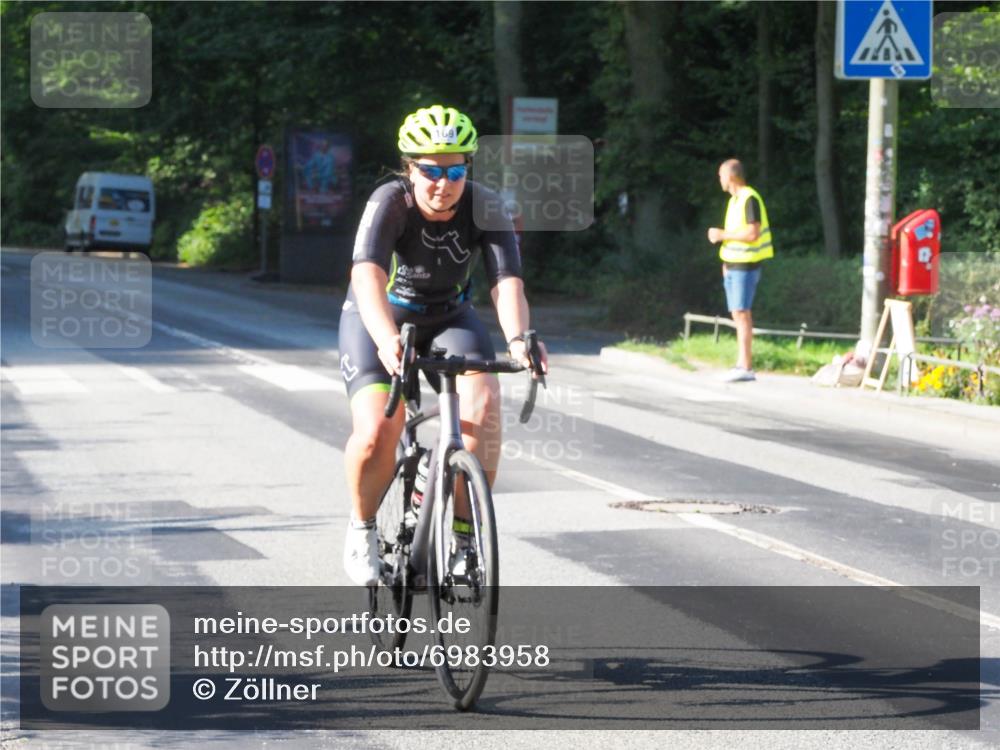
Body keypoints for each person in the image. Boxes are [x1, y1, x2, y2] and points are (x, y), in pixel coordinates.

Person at [339, 104, 548, 586]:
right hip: (381, 319)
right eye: (430, 170)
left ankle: (463, 541)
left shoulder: (486, 206)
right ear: (409, 168)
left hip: (450, 316)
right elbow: (366, 274)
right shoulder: (390, 201)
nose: (443, 182)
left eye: (455, 170)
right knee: (378, 431)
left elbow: (507, 282)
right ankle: (362, 526)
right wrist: (388, 339)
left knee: (485, 402)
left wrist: (518, 339)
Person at [707, 159, 773, 383]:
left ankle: (745, 366)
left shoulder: (748, 198)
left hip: (746, 265)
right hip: (734, 265)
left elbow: (752, 233)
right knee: (738, 313)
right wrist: (726, 264)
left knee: (742, 314)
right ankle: (741, 364)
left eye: (721, 175)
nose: (720, 180)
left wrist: (721, 235)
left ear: (732, 176)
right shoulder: (735, 201)